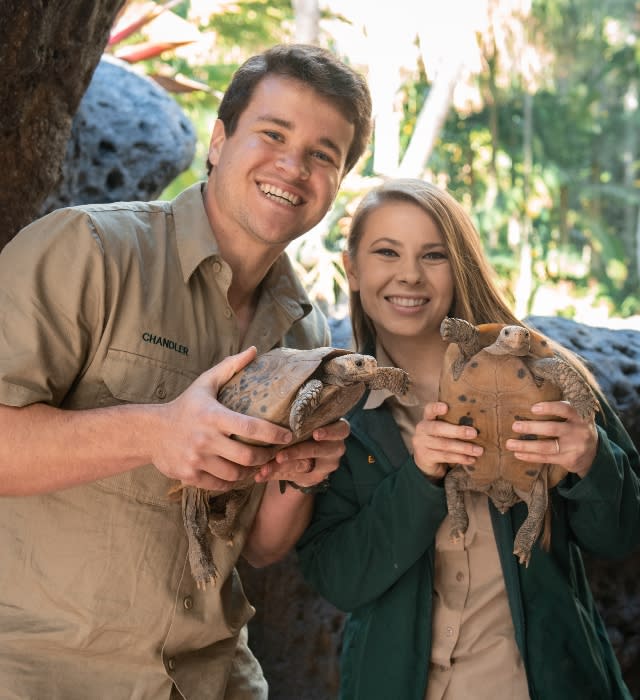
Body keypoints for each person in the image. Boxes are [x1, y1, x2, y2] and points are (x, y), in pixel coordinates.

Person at [0, 44, 372, 699]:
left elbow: (256, 549)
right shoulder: (85, 250)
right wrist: (156, 432)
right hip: (45, 677)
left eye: (323, 154)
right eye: (273, 134)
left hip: (210, 679)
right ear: (220, 139)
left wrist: (296, 479)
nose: (293, 164)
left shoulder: (306, 333)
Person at [296, 178, 640, 700]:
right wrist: (418, 479)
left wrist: (592, 462)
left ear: (460, 267)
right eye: (386, 252)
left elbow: (621, 536)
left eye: (433, 255)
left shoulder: (546, 373)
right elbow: (337, 577)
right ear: (353, 268)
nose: (409, 274)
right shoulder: (338, 412)